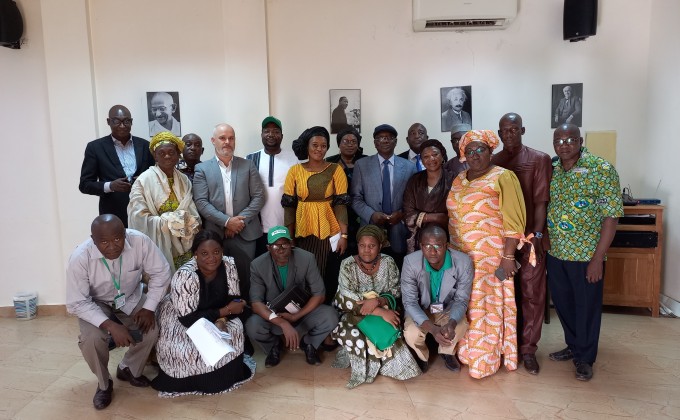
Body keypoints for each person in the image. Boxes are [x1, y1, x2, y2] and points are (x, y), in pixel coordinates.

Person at [446, 129, 532, 379]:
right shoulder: (459, 179)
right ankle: (467, 353)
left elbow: (514, 221)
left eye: (480, 149)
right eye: (469, 151)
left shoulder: (503, 177)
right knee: (465, 305)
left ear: (490, 151)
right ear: (463, 154)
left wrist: (508, 257)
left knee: (488, 308)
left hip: (491, 256)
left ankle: (486, 360)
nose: (474, 155)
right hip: (460, 256)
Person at [66, 214, 171, 410]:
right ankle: (104, 384)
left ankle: (128, 369)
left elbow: (161, 272)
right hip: (95, 304)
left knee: (151, 329)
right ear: (93, 240)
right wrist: (111, 326)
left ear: (124, 234)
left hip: (129, 296)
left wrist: (149, 307)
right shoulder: (80, 258)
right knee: (92, 338)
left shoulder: (139, 241)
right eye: (103, 242)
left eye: (117, 239)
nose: (112, 246)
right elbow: (77, 302)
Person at [546, 123, 623, 381]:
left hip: (586, 256)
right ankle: (573, 345)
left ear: (580, 141)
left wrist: (597, 259)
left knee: (586, 308)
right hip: (557, 253)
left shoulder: (601, 169)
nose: (564, 144)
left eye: (570, 139)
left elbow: (611, 217)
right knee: (564, 305)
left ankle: (586, 358)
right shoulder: (553, 169)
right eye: (559, 140)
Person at [151, 230, 255, 397]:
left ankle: (225, 376)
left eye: (216, 252)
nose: (211, 258)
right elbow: (187, 318)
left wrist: (222, 319)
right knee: (189, 347)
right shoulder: (185, 276)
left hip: (217, 314)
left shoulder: (229, 265)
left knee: (233, 331)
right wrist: (225, 311)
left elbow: (234, 300)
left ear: (222, 251)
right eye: (204, 253)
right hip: (183, 317)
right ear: (195, 255)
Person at [491, 113, 552, 375]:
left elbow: (541, 203)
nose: (509, 134)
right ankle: (509, 345)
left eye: (514, 129)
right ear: (499, 133)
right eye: (504, 131)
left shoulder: (539, 159)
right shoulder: (493, 161)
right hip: (502, 241)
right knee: (504, 295)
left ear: (522, 130)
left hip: (529, 239)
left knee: (532, 295)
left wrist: (537, 236)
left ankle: (528, 349)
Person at [331, 225, 421, 388]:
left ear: (380, 246)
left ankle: (386, 363)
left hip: (384, 312)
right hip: (354, 315)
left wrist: (378, 302)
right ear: (357, 245)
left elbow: (396, 291)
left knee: (389, 333)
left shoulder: (388, 262)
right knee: (354, 335)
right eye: (362, 245)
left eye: (372, 246)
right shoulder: (348, 265)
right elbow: (346, 297)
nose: (366, 250)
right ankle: (367, 364)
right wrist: (379, 311)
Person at [247, 226, 339, 367]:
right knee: (253, 325)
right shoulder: (257, 265)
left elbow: (319, 294)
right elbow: (256, 303)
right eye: (276, 245)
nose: (281, 248)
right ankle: (274, 346)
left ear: (291, 244)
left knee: (330, 315)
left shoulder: (307, 258)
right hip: (275, 315)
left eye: (284, 244)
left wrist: (296, 316)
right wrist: (281, 322)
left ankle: (309, 343)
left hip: (300, 312)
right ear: (268, 248)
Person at [193, 123, 265, 298]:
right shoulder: (202, 169)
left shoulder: (248, 165)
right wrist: (227, 222)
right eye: (222, 138)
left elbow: (259, 197)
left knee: (246, 277)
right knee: (217, 277)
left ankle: (247, 313)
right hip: (216, 234)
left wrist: (239, 222)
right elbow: (201, 202)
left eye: (231, 138)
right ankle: (222, 314)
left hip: (245, 232)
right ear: (213, 141)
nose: (227, 142)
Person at [282, 126, 349, 303]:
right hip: (303, 229)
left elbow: (341, 204)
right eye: (315, 145)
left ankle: (324, 310)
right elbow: (289, 207)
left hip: (329, 230)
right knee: (303, 272)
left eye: (323, 145)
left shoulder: (336, 169)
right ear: (307, 146)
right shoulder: (295, 171)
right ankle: (304, 309)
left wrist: (344, 235)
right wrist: (290, 236)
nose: (319, 149)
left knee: (326, 271)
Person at [401, 225, 473, 373]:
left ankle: (446, 352)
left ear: (446, 246)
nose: (432, 251)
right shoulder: (410, 262)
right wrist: (433, 329)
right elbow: (410, 302)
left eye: (438, 246)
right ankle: (422, 356)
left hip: (447, 308)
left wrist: (451, 324)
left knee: (460, 326)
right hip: (421, 309)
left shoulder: (463, 262)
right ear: (421, 246)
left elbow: (461, 299)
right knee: (411, 333)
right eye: (427, 246)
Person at [127, 132, 201, 271]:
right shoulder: (143, 181)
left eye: (171, 152)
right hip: (157, 245)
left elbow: (192, 211)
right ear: (155, 155)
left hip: (184, 243)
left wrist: (188, 222)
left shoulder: (184, 180)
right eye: (162, 153)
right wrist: (168, 221)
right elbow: (137, 218)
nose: (167, 156)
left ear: (178, 154)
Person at [351, 124, 417, 269]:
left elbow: (413, 200)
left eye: (389, 138)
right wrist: (371, 214)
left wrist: (401, 214)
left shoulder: (409, 167)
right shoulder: (361, 165)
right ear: (375, 142)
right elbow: (355, 198)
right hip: (370, 228)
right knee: (371, 270)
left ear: (396, 141)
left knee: (399, 268)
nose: (385, 141)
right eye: (380, 138)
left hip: (399, 229)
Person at [79, 105, 155, 227]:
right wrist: (111, 186)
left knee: (145, 245)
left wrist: (144, 180)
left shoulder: (145, 145)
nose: (122, 125)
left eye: (126, 121)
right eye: (116, 121)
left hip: (145, 212)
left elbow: (154, 175)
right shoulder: (95, 148)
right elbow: (85, 184)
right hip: (114, 214)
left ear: (131, 122)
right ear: (108, 122)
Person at [246, 116, 299, 256]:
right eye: (267, 131)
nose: (271, 134)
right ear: (261, 134)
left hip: (285, 227)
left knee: (285, 265)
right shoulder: (251, 159)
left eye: (275, 131)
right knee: (262, 266)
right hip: (258, 228)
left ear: (282, 136)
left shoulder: (293, 159)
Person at [403, 139, 453, 253]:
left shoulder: (454, 179)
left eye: (435, 154)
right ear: (421, 160)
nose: (431, 159)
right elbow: (408, 213)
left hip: (447, 236)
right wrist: (437, 217)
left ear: (442, 155)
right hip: (419, 237)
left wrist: (423, 216)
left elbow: (457, 212)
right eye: (426, 156)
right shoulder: (414, 181)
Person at [325, 126, 367, 256]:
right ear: (339, 143)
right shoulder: (329, 163)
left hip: (360, 212)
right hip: (337, 212)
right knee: (338, 251)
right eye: (345, 141)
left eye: (353, 141)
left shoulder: (366, 161)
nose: (350, 144)